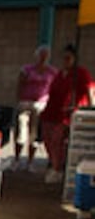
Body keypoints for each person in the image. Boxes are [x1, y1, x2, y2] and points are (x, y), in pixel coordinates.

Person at [40, 43, 93, 183]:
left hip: (68, 114)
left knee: (58, 140)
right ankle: (55, 163)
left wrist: (90, 110)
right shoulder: (59, 74)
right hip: (52, 111)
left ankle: (57, 169)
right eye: (63, 58)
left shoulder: (81, 73)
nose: (65, 61)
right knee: (47, 138)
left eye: (68, 58)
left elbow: (89, 92)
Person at [13, 45, 57, 169]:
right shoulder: (27, 69)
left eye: (45, 56)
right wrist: (18, 100)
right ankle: (16, 159)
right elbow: (19, 85)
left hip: (41, 105)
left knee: (35, 133)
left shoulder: (52, 72)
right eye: (41, 55)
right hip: (25, 103)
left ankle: (30, 161)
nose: (43, 58)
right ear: (36, 56)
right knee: (21, 132)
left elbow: (55, 88)